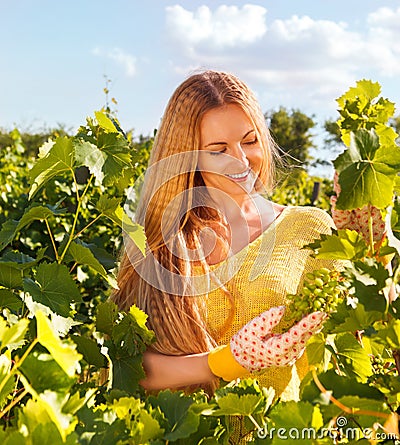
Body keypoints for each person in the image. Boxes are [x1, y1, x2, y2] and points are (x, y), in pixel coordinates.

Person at [111, 70, 344, 401]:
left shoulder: (310, 228)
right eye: (218, 150)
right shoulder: (159, 239)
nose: (240, 160)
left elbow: (355, 334)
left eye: (249, 141)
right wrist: (226, 363)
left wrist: (368, 247)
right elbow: (127, 367)